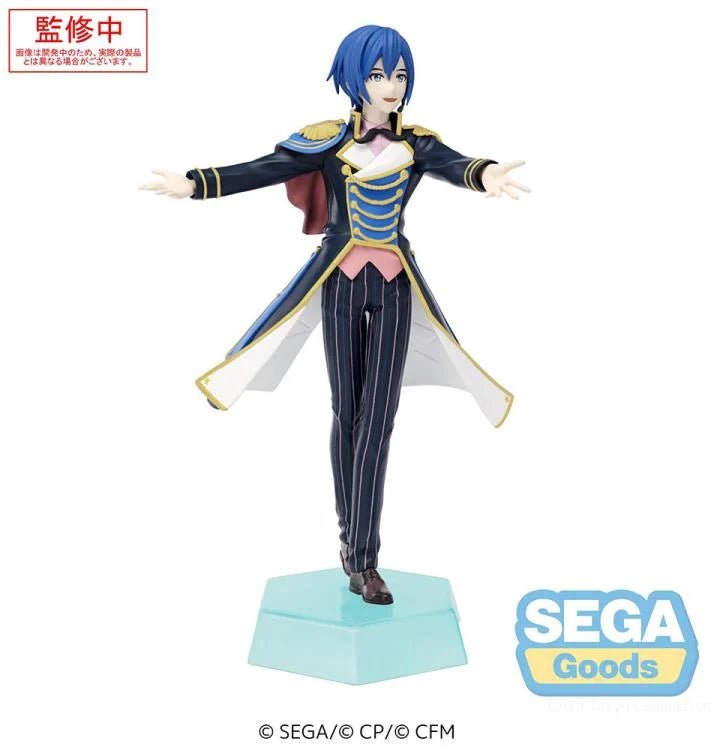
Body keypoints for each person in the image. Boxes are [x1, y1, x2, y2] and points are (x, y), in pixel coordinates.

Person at [139, 25, 529, 605]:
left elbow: (458, 164)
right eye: (378, 74)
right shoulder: (326, 141)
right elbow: (262, 169)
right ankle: (351, 544)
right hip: (339, 283)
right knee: (347, 412)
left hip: (396, 286)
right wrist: (197, 184)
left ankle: (365, 559)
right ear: (354, 78)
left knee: (380, 417)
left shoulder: (417, 144)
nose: (390, 86)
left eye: (399, 74)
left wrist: (487, 173)